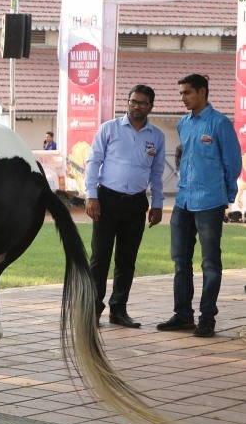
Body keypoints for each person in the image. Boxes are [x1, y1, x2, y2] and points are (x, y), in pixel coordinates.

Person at [157, 74, 242, 338]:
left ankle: (207, 318)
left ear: (202, 92)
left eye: (187, 93)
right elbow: (186, 157)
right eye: (181, 93)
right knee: (181, 261)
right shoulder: (183, 123)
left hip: (209, 202)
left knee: (210, 263)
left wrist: (225, 197)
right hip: (183, 201)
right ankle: (183, 315)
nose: (182, 98)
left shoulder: (220, 124)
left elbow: (232, 164)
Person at [84, 85, 165, 328]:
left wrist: (158, 204)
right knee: (99, 258)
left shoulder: (157, 136)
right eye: (133, 101)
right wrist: (91, 196)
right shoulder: (109, 129)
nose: (136, 106)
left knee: (127, 260)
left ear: (151, 106)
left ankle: (118, 310)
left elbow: (157, 172)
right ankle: (93, 309)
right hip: (106, 200)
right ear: (127, 102)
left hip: (136, 204)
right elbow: (93, 162)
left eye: (142, 103)